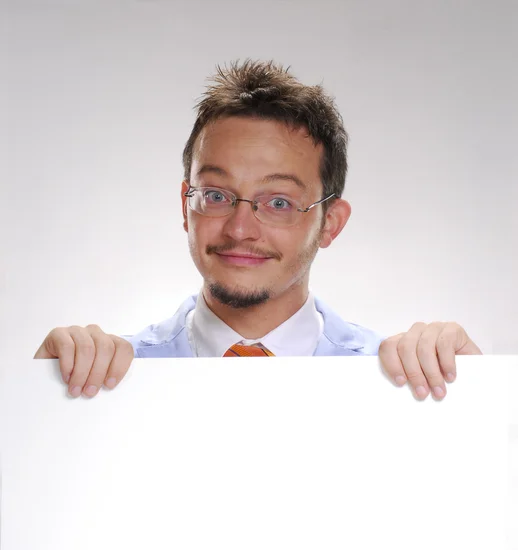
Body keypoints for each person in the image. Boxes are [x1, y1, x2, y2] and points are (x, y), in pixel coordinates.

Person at [34, 59, 482, 401]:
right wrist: (37, 400)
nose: (241, 228)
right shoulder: (105, 378)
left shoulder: (402, 381)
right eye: (216, 195)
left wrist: (482, 397)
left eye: (279, 202)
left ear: (331, 223)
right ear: (186, 207)